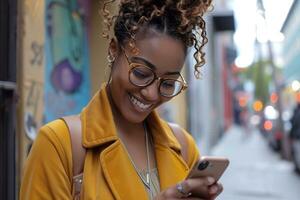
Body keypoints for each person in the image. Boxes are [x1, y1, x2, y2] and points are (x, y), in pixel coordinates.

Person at [20, 0, 224, 199]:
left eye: (168, 83)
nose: (151, 94)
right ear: (113, 49)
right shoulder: (58, 144)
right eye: (141, 73)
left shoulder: (183, 146)